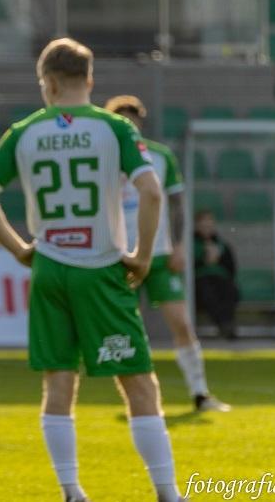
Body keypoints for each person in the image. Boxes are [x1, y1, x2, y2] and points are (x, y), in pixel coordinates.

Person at [0, 38, 184, 502]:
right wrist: (143, 256)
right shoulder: (115, 128)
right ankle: (167, 493)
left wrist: (20, 249)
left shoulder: (24, 131)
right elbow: (150, 192)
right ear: (89, 79)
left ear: (46, 83)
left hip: (49, 267)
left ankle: (71, 490)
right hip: (101, 266)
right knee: (140, 384)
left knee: (59, 382)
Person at [105, 95, 230, 413]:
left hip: (159, 255)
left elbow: (176, 204)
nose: (130, 125)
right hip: (120, 257)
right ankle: (137, 399)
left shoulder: (159, 156)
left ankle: (200, 393)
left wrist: (180, 245)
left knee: (182, 323)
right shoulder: (103, 158)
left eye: (133, 120)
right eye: (123, 120)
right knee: (124, 330)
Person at [192, 210, 239, 341]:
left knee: (230, 291)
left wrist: (218, 258)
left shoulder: (222, 244)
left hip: (221, 280)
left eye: (209, 223)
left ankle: (226, 324)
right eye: (203, 223)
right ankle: (225, 324)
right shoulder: (190, 244)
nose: (206, 226)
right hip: (200, 281)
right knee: (208, 292)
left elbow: (231, 268)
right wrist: (204, 259)